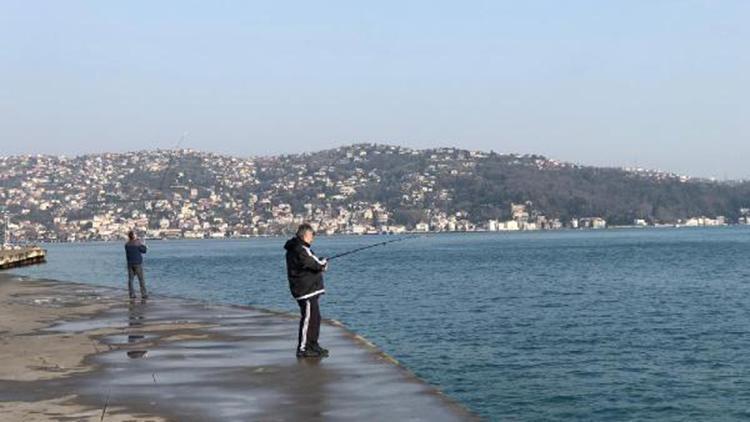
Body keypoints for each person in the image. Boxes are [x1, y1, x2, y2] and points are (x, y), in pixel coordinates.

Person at [284, 223, 329, 358]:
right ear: (305, 235)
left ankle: (313, 344)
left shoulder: (299, 249)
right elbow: (311, 263)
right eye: (311, 235)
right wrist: (322, 264)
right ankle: (303, 348)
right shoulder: (300, 249)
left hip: (309, 289)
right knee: (308, 319)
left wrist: (320, 264)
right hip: (305, 290)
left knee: (315, 318)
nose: (312, 238)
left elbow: (312, 262)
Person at [125, 230, 148, 300]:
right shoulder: (137, 243)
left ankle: (132, 294)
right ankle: (144, 294)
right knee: (141, 279)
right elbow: (144, 251)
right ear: (133, 236)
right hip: (137, 263)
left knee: (130, 280)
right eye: (135, 234)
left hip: (130, 263)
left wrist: (139, 242)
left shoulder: (127, 245)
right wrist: (143, 244)